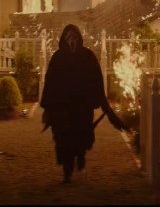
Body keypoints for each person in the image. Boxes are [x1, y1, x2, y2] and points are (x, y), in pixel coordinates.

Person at [39, 24, 126, 183]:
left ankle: (80, 156)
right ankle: (67, 171)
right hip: (63, 108)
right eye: (69, 37)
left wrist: (103, 104)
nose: (72, 40)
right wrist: (48, 108)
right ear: (64, 39)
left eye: (74, 37)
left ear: (79, 39)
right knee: (64, 140)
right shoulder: (58, 57)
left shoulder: (88, 56)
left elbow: (97, 80)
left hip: (81, 108)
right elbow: (50, 82)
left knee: (80, 137)